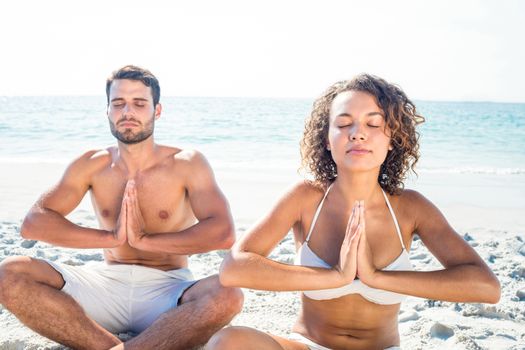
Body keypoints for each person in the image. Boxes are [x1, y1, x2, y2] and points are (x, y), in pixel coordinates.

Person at [206, 74, 500, 350]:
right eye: (344, 123)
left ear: (392, 139)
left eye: (373, 124)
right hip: (309, 345)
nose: (358, 133)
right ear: (326, 138)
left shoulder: (411, 208)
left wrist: (375, 277)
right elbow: (234, 269)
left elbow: (486, 287)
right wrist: (335, 276)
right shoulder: (306, 198)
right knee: (229, 341)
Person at [0, 65, 243, 350]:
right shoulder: (92, 163)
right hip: (106, 285)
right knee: (9, 273)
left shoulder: (187, 163)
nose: (128, 112)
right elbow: (34, 224)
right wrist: (112, 238)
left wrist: (145, 241)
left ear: (157, 110)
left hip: (168, 292)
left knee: (228, 294)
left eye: (139, 103)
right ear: (108, 111)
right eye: (118, 104)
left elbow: (223, 232)